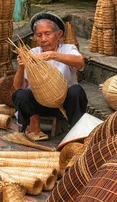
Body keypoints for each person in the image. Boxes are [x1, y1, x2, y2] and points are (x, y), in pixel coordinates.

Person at [12, 12, 88, 141]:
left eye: (48, 34)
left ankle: (76, 131)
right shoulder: (32, 53)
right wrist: (21, 67)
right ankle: (34, 126)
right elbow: (18, 86)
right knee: (20, 94)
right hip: (39, 105)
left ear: (59, 35)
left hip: (63, 105)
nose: (43, 39)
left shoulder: (68, 49)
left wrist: (52, 55)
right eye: (39, 35)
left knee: (77, 90)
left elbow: (80, 62)